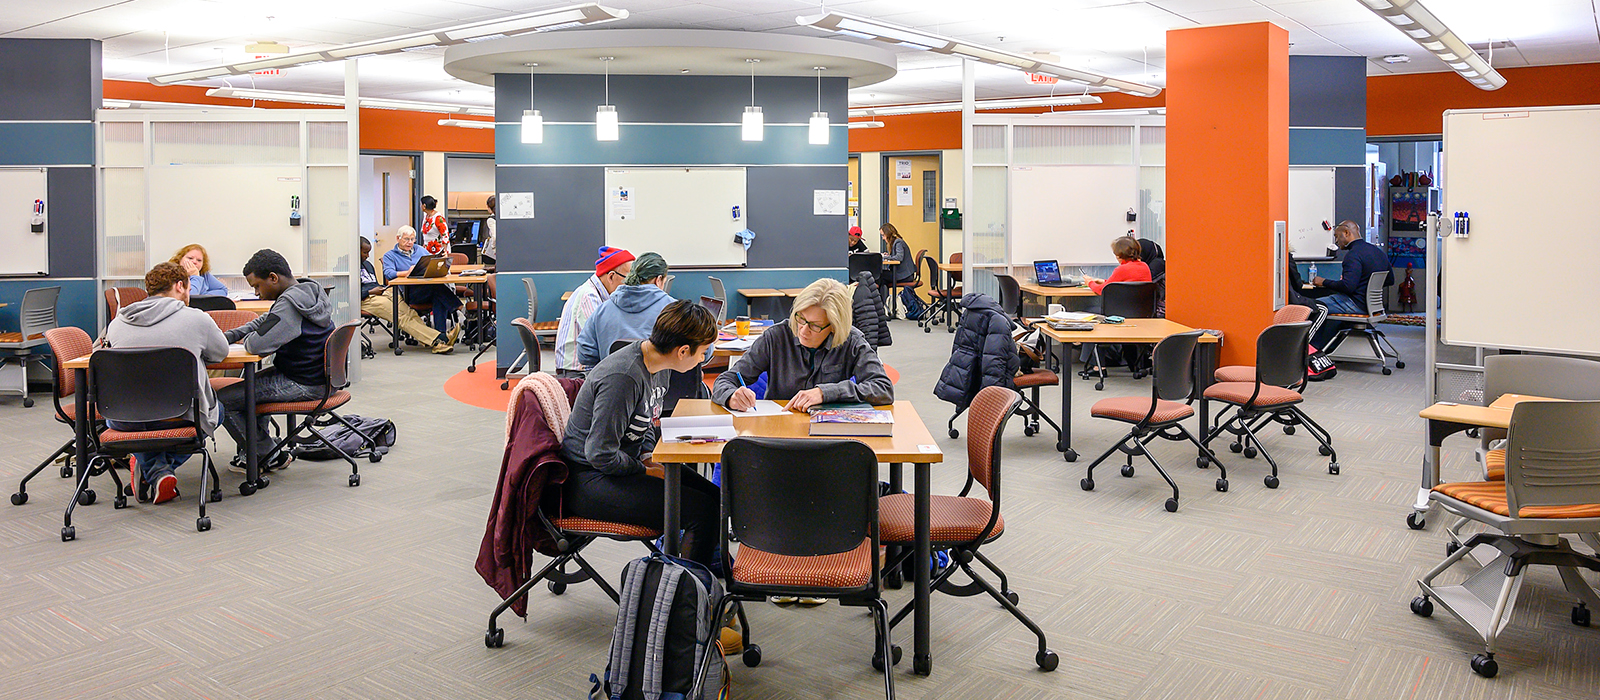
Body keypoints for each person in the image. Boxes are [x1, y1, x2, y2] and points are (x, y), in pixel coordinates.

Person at [561, 300, 721, 568]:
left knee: (714, 498)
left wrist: (648, 455)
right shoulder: (623, 377)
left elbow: (647, 422)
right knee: (701, 512)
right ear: (683, 351)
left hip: (622, 467)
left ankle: (699, 569)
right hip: (589, 479)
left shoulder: (658, 367)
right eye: (703, 352)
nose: (703, 358)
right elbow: (600, 454)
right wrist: (645, 470)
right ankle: (682, 596)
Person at [103, 262, 228, 504]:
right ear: (180, 286)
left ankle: (153, 468)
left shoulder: (118, 322)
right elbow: (220, 353)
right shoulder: (196, 319)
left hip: (122, 417)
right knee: (217, 410)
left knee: (142, 422)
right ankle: (159, 470)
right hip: (180, 414)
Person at [216, 249, 333, 472]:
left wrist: (246, 339)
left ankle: (267, 454)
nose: (257, 293)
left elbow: (256, 345)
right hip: (315, 375)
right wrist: (230, 336)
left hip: (303, 382)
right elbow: (265, 322)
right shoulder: (307, 291)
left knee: (222, 401)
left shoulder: (289, 304)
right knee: (248, 390)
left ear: (273, 278)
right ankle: (265, 452)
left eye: (257, 286)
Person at [712, 278, 893, 412]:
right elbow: (725, 380)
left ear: (834, 327)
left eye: (815, 325)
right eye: (801, 318)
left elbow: (883, 388)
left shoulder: (852, 341)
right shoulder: (776, 337)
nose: (803, 330)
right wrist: (731, 396)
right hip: (779, 433)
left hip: (829, 437)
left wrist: (824, 393)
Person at [577, 252, 675, 369]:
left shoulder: (602, 310)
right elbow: (697, 351)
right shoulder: (675, 309)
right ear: (658, 280)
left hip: (612, 384)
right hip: (662, 385)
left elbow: (585, 354)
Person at [359, 236, 454, 354]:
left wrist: (382, 288)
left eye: (368, 252)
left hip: (382, 292)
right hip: (366, 299)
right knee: (401, 317)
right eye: (364, 253)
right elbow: (347, 293)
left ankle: (433, 340)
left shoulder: (367, 265)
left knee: (410, 313)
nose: (367, 256)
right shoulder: (346, 268)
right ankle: (439, 339)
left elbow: (373, 283)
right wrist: (370, 292)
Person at [1308, 221, 1394, 350]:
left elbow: (1348, 287)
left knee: (1312, 306)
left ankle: (1313, 350)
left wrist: (1323, 281)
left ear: (1347, 233)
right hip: (1373, 306)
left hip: (1355, 304)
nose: (1336, 241)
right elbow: (1390, 280)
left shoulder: (1353, 255)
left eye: (1337, 236)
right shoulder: (1378, 252)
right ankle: (1332, 347)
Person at [554, 246, 634, 377]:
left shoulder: (600, 295)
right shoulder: (589, 297)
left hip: (587, 370)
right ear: (611, 277)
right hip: (577, 375)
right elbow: (604, 342)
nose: (630, 285)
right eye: (628, 280)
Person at [1080, 236, 1154, 373]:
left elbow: (1102, 291)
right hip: (1139, 314)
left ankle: (1098, 366)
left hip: (1116, 314)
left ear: (1120, 255)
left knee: (1089, 313)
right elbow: (1126, 283)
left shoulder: (1121, 269)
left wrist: (1089, 282)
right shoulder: (1145, 267)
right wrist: (1105, 281)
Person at [381, 225, 462, 340]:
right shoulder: (390, 255)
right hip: (410, 293)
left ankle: (441, 337)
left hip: (427, 289)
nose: (410, 243)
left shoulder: (420, 250)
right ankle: (460, 308)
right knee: (438, 289)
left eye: (412, 239)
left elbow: (431, 261)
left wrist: (440, 260)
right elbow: (388, 273)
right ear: (398, 238)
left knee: (438, 294)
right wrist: (405, 273)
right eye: (406, 239)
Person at [880, 223, 919, 317]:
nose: (883, 238)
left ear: (888, 234)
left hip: (905, 275)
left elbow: (899, 257)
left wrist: (886, 258)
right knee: (881, 278)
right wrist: (889, 256)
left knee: (880, 277)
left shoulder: (898, 242)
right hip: (904, 274)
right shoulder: (897, 242)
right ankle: (885, 306)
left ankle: (883, 307)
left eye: (883, 235)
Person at [480, 195, 497, 265]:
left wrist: (494, 248)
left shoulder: (491, 220)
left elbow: (495, 236)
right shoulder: (502, 217)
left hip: (494, 254)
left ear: (488, 206)